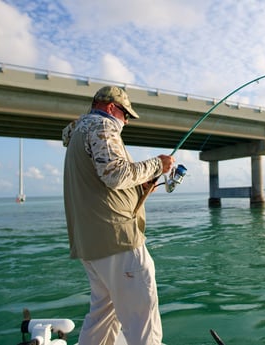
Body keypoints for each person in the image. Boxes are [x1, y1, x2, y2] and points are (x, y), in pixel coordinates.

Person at [62, 85, 174, 345]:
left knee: (103, 314)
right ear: (112, 107)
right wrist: (159, 164)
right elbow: (115, 174)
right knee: (142, 318)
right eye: (126, 115)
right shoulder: (103, 126)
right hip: (117, 239)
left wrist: (141, 188)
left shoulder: (79, 131)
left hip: (91, 242)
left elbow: (102, 180)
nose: (126, 121)